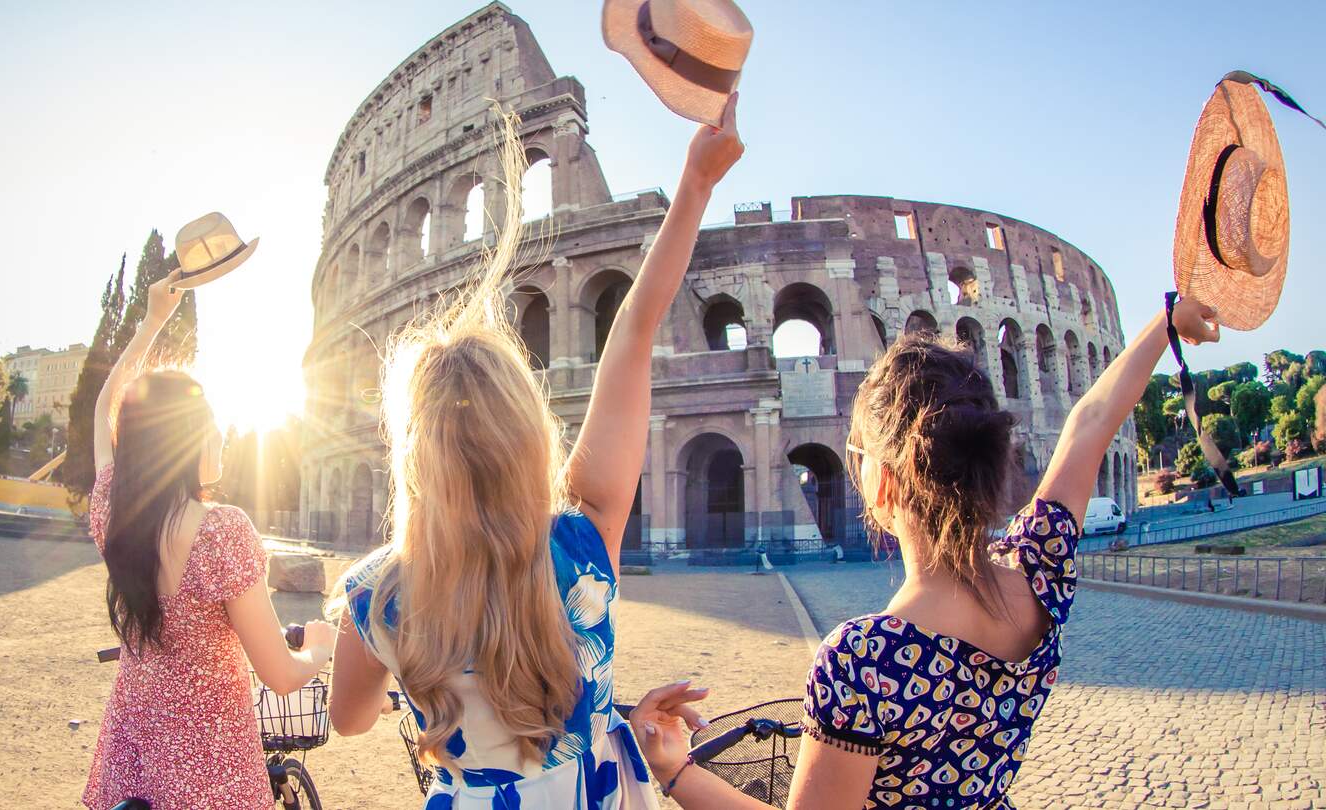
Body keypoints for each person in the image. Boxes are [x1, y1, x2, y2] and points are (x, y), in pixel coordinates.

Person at [628, 296, 1222, 809]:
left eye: (858, 457)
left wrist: (675, 772)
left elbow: (1089, 422)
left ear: (885, 482)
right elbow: (1090, 423)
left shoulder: (863, 659)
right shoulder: (1041, 570)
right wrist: (1165, 325)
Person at [325, 97, 743, 808]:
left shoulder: (373, 594)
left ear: (415, 456)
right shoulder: (583, 540)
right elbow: (635, 330)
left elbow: (349, 720)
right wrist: (696, 182)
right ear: (529, 434)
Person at [82, 274, 335, 809]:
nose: (220, 433)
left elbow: (105, 410)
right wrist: (319, 647)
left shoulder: (113, 511)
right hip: (212, 775)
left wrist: (152, 321)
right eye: (210, 423)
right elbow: (279, 674)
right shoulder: (221, 531)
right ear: (188, 441)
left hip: (132, 759)